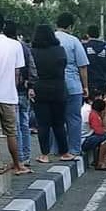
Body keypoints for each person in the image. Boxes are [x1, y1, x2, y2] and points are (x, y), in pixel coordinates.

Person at [0, 12, 31, 175]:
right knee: (11, 132)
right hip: (8, 95)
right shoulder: (15, 45)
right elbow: (17, 73)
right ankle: (17, 164)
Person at [30, 24, 69, 164]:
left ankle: (44, 154)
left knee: (43, 124)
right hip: (58, 88)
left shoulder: (32, 52)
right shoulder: (60, 50)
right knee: (59, 123)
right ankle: (64, 152)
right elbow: (64, 66)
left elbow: (30, 71)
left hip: (39, 89)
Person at [55, 12, 90, 159]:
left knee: (55, 119)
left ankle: (55, 149)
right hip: (73, 84)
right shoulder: (74, 41)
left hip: (54, 84)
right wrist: (85, 86)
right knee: (74, 118)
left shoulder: (50, 39)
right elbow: (82, 66)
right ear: (70, 26)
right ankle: (74, 149)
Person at [5, 20, 37, 167]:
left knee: (15, 126)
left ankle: (19, 158)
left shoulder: (7, 46)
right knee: (23, 124)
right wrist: (31, 85)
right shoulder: (24, 47)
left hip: (12, 90)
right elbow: (32, 68)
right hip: (24, 90)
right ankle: (26, 156)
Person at [82, 98, 106, 171]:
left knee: (104, 137)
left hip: (81, 139)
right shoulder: (93, 114)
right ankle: (101, 163)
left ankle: (105, 159)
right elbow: (99, 132)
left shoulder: (86, 109)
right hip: (84, 141)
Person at [84, 25, 106, 95]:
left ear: (87, 35)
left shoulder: (84, 48)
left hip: (89, 82)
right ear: (99, 35)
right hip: (103, 82)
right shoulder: (105, 49)